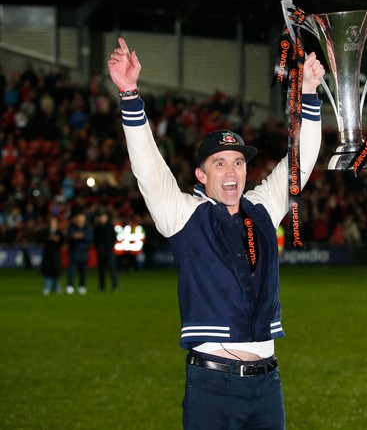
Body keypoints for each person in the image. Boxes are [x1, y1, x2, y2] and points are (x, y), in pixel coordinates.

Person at [107, 37, 325, 429]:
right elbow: (148, 167)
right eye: (219, 163)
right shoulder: (183, 214)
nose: (231, 172)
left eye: (238, 162)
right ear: (201, 175)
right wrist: (129, 94)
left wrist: (309, 94)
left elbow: (302, 161)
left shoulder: (262, 208)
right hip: (212, 384)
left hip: (268, 383)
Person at [65, 211, 92, 295]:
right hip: (73, 253)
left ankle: (82, 286)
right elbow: (69, 237)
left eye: (82, 219)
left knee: (83, 272)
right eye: (79, 219)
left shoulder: (87, 228)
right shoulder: (71, 228)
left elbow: (90, 238)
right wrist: (76, 236)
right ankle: (70, 286)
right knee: (71, 271)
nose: (80, 221)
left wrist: (81, 236)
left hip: (83, 253)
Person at [93, 208, 120, 292]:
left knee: (112, 270)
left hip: (109, 252)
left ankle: (115, 286)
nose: (102, 218)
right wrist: (98, 248)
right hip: (101, 252)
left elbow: (113, 238)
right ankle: (102, 287)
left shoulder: (110, 226)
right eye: (101, 216)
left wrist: (110, 248)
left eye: (103, 216)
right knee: (101, 271)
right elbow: (95, 239)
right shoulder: (97, 227)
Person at [39, 215, 63, 295]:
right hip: (47, 253)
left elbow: (62, 242)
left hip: (56, 254)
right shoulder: (45, 232)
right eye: (51, 223)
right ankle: (47, 287)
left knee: (56, 271)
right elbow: (40, 239)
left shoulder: (59, 232)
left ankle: (56, 287)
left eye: (54, 223)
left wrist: (57, 240)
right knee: (47, 270)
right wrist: (48, 238)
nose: (53, 224)